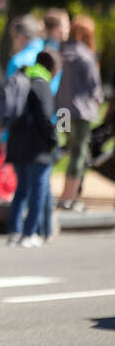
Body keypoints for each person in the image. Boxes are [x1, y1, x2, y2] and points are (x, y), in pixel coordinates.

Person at [7, 50, 61, 246]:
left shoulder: (22, 78)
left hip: (16, 144)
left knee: (20, 190)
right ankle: (30, 233)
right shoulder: (42, 84)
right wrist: (55, 140)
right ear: (53, 68)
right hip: (37, 148)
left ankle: (14, 231)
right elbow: (46, 118)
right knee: (37, 190)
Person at [56, 15, 104, 210]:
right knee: (79, 153)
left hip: (62, 111)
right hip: (81, 112)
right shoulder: (85, 55)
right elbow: (95, 86)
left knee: (67, 148)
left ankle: (66, 194)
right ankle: (69, 197)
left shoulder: (62, 52)